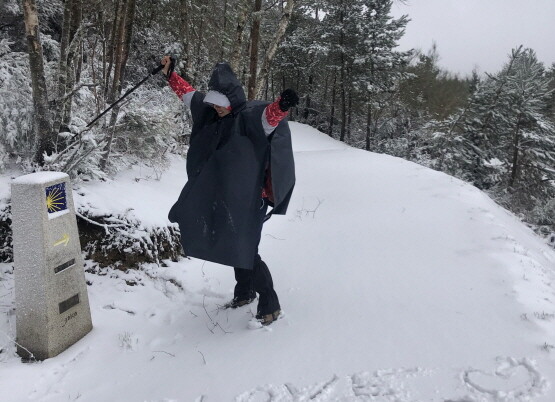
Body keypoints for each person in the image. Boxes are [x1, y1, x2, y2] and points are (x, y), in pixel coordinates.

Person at [162, 56, 298, 326]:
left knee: (246, 248)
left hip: (250, 199)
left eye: (221, 105)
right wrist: (170, 75)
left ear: (232, 102)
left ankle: (270, 303)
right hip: (225, 196)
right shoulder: (209, 113)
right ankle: (244, 292)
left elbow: (269, 118)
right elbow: (188, 94)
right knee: (234, 243)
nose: (216, 109)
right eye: (213, 104)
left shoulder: (249, 119)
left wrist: (282, 105)